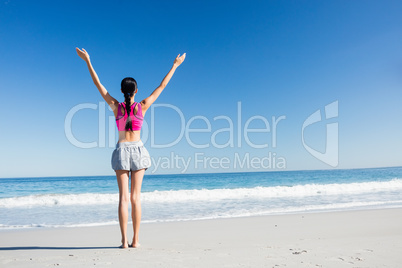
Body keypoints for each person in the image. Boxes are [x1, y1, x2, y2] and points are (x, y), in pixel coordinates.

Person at [76, 47, 186, 248]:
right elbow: (162, 86)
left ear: (121, 91)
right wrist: (175, 66)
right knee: (136, 198)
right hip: (138, 150)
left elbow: (97, 84)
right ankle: (136, 240)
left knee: (123, 198)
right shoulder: (142, 105)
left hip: (121, 151)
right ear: (136, 90)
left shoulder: (116, 106)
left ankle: (124, 241)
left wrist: (88, 61)